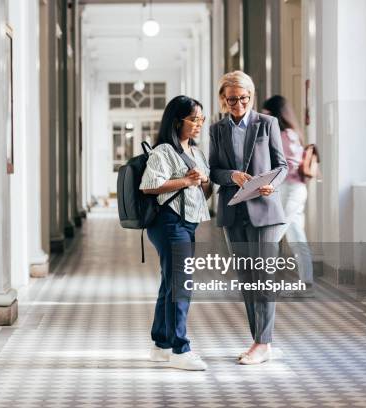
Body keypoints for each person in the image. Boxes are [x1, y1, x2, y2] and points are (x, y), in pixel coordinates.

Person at [208, 71, 288, 365]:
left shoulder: (267, 124)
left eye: (244, 98)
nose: (239, 104)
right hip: (233, 210)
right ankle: (261, 341)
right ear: (223, 99)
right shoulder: (217, 130)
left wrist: (272, 184)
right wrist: (232, 176)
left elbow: (282, 165)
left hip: (265, 210)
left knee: (264, 277)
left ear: (251, 96)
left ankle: (262, 342)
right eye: (232, 100)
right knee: (247, 279)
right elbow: (214, 170)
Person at [140, 95, 213, 371]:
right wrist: (186, 180)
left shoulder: (196, 151)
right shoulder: (163, 151)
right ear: (176, 120)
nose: (198, 124)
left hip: (188, 222)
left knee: (171, 283)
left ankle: (161, 345)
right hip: (169, 223)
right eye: (193, 119)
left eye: (201, 119)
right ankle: (180, 350)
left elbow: (203, 188)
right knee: (181, 286)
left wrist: (203, 181)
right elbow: (149, 185)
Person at [262, 95, 314, 296]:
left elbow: (289, 164)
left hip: (292, 190)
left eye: (267, 113)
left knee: (273, 234)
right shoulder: (289, 133)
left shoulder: (286, 134)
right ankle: (306, 284)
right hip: (291, 189)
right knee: (296, 238)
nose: (264, 117)